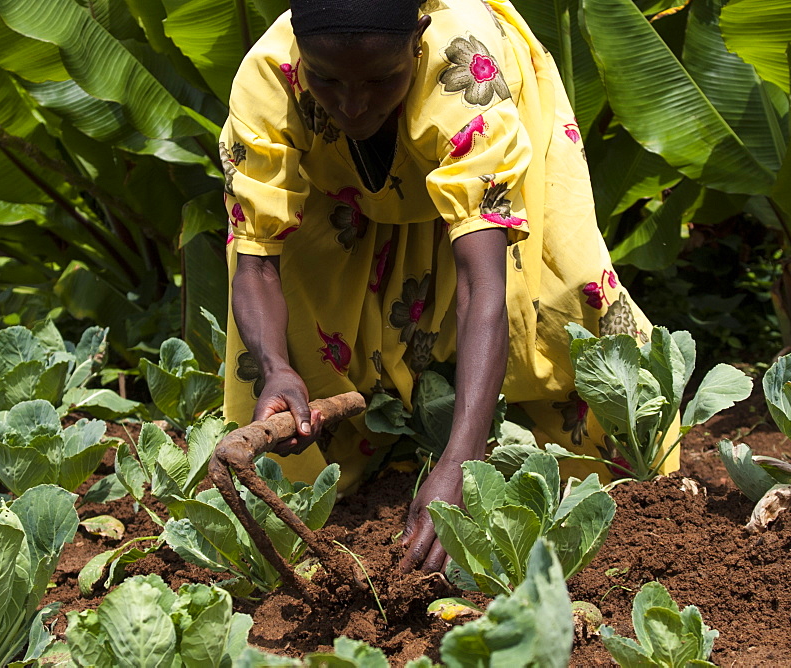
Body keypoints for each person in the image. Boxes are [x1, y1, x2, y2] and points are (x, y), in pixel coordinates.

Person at [220, 0, 677, 574]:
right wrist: (275, 366)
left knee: (549, 293)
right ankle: (354, 477)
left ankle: (640, 496)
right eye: (326, 80)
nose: (353, 105)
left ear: (419, 39)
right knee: (312, 306)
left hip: (475, 148)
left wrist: (463, 459)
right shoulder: (269, 74)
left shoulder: (464, 68)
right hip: (338, 184)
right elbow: (257, 261)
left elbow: (480, 281)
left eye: (381, 80)